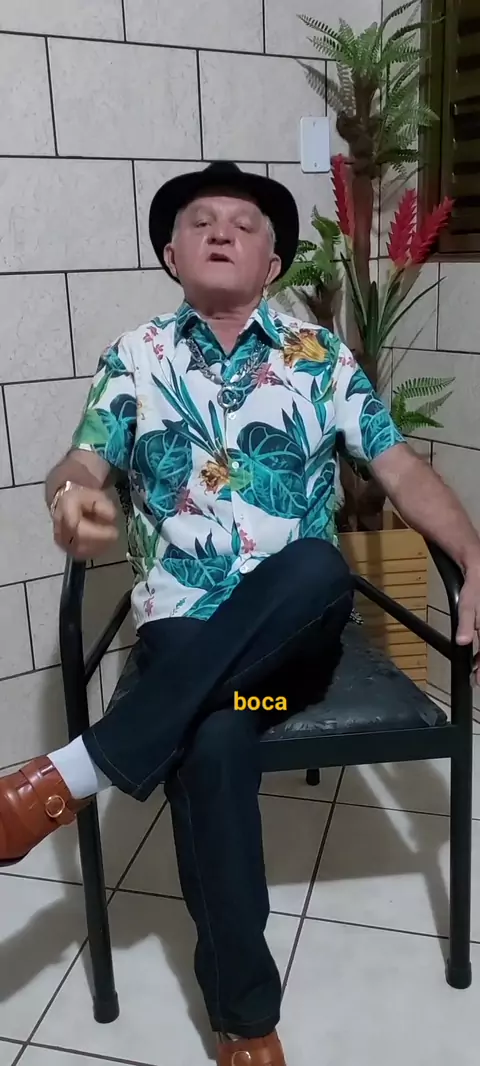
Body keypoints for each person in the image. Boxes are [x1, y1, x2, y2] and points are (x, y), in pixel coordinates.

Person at [1, 160, 480, 1066]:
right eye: (200, 220)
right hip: (200, 652)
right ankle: (245, 1021)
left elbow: (401, 469)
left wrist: (475, 553)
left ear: (273, 264)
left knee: (313, 568)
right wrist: (71, 499)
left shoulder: (319, 356)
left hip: (297, 655)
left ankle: (74, 772)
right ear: (171, 255)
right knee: (217, 733)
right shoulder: (137, 356)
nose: (222, 230)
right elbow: (82, 462)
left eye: (245, 223)